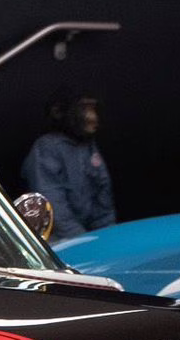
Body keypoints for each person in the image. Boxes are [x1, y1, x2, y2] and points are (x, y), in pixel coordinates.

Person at [20, 94, 116, 237]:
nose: (93, 117)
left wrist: (109, 236)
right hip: (58, 240)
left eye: (93, 109)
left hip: (84, 235)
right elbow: (53, 209)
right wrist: (84, 242)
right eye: (85, 109)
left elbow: (103, 201)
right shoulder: (47, 148)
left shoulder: (88, 146)